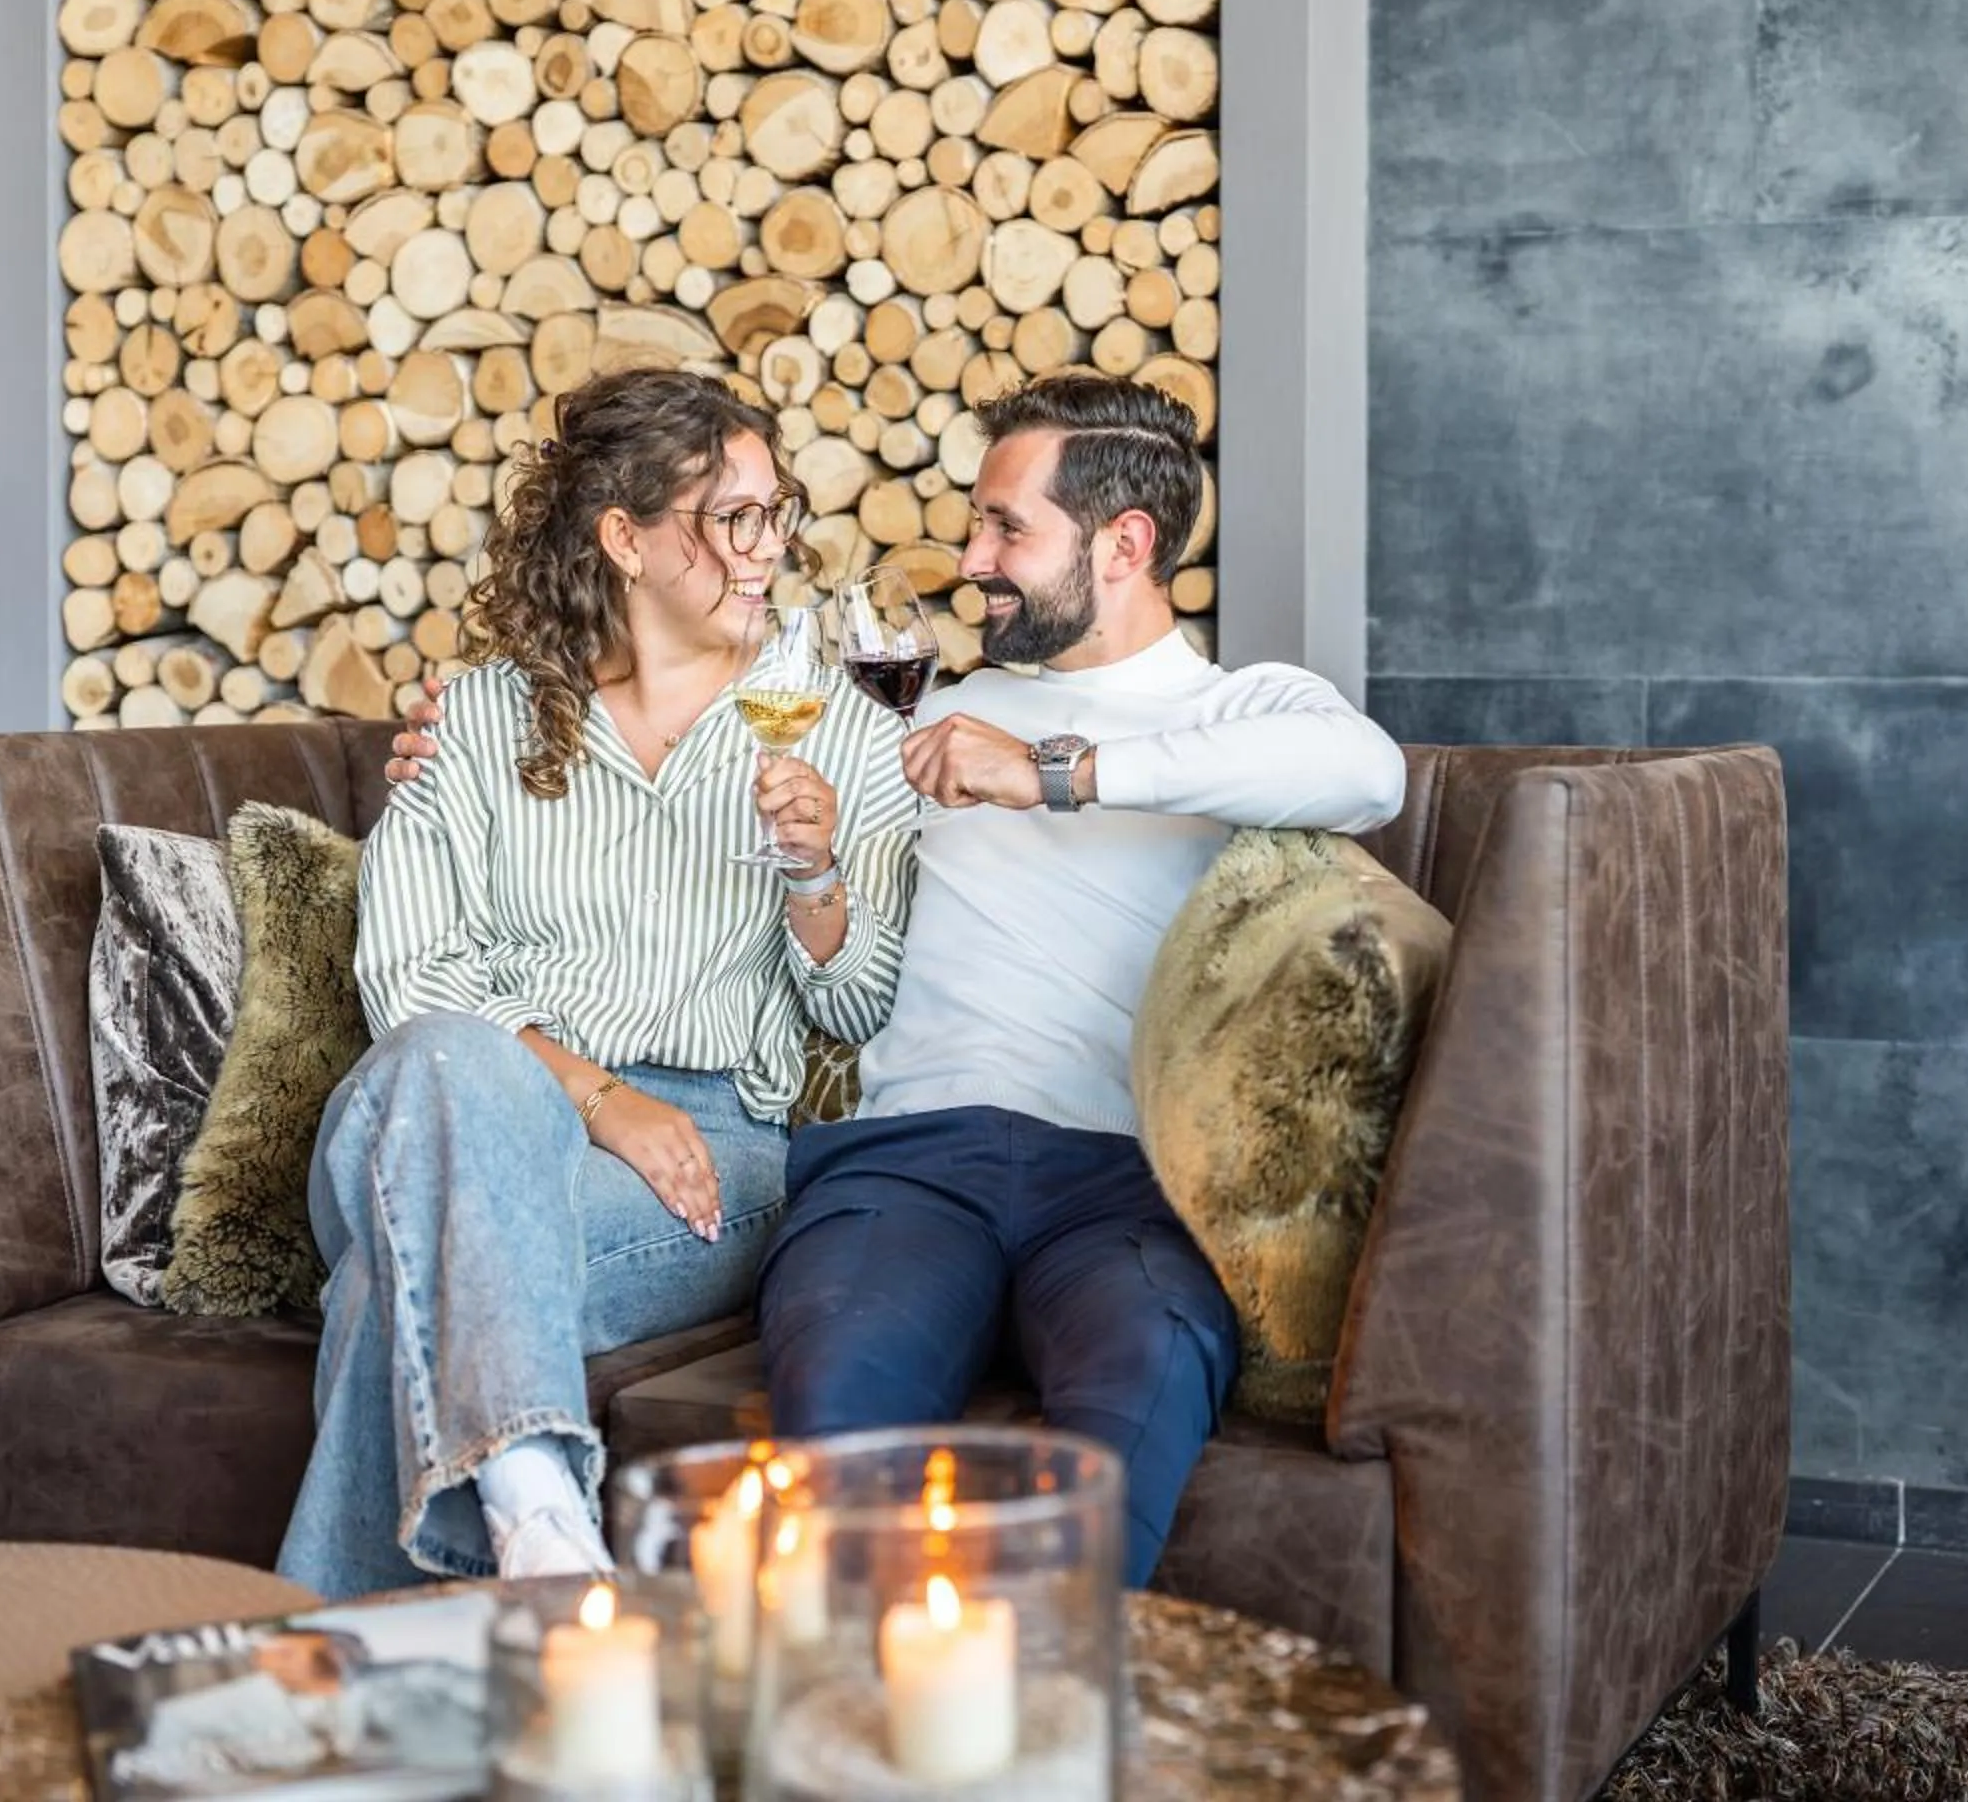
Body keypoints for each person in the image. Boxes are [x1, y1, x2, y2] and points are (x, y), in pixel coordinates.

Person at [389, 373, 1407, 1586]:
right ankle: (838, 1685)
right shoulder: (915, 716)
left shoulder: (1232, 712)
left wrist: (1054, 774)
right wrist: (478, 723)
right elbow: (714, 726)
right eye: (975, 523)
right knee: (837, 1387)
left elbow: (1367, 772)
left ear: (1124, 544)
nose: (970, 559)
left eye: (1005, 529)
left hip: (1127, 1184)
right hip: (907, 1163)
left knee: (1148, 1369)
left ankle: (1038, 1692)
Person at [281, 365, 915, 1599]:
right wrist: (596, 1095)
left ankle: (385, 1616)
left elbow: (856, 1006)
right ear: (625, 537)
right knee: (450, 1060)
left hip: (711, 1149)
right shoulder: (479, 717)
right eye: (733, 517)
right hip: (449, 1103)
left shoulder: (838, 726)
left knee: (380, 1283)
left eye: (777, 512)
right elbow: (411, 978)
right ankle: (536, 1526)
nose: (767, 547)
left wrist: (816, 872)